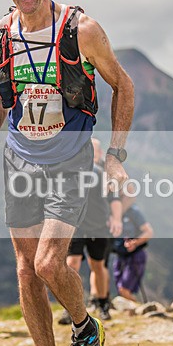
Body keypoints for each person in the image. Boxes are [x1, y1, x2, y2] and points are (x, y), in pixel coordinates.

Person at [0, 0, 134, 346]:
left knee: (47, 263)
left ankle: (83, 325)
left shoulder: (83, 30)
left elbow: (124, 86)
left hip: (70, 159)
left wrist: (114, 154)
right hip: (20, 159)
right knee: (25, 268)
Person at [59, 138, 122, 324]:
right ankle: (70, 309)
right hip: (76, 227)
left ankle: (102, 304)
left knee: (98, 266)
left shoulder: (103, 174)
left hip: (98, 227)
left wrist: (116, 218)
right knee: (71, 265)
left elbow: (115, 200)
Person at [112, 201, 153, 302]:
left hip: (135, 256)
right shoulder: (110, 212)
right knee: (120, 289)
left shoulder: (133, 212)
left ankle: (138, 310)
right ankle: (133, 311)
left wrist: (135, 242)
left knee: (124, 290)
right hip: (120, 255)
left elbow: (149, 232)